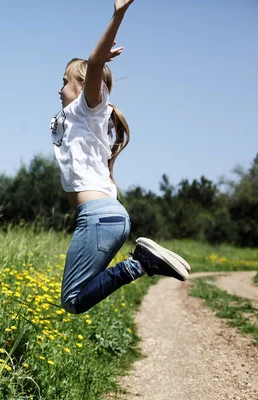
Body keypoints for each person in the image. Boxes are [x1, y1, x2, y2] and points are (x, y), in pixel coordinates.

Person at [51, 0, 190, 314]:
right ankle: (139, 264)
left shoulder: (88, 108)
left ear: (85, 86)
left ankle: (139, 264)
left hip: (99, 218)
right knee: (74, 298)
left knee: (73, 301)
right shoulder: (79, 119)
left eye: (64, 81)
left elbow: (93, 61)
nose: (59, 89)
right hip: (105, 217)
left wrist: (118, 14)